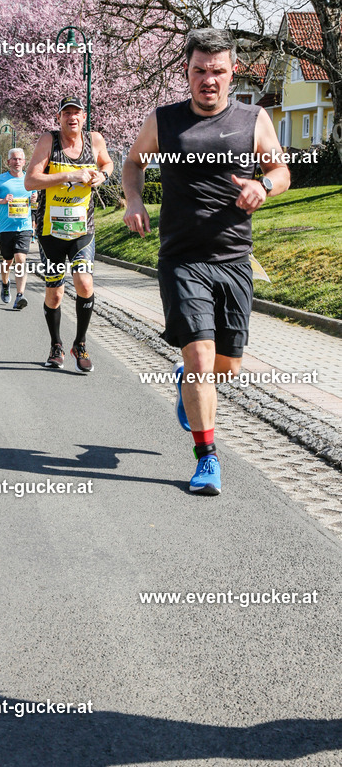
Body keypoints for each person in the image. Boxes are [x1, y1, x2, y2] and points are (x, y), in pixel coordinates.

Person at [122, 27, 290, 496]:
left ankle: (186, 384)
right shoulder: (165, 120)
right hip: (181, 259)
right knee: (198, 357)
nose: (208, 80)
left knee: (226, 368)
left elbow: (281, 169)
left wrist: (265, 185)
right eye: (200, 71)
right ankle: (206, 457)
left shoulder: (253, 119)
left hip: (234, 259)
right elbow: (132, 163)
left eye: (218, 71)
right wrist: (133, 202)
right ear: (187, 72)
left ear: (233, 72)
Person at [25, 96, 113, 372]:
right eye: (67, 114)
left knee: (85, 285)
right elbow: (30, 181)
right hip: (50, 230)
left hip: (81, 230)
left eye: (77, 113)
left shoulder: (94, 140)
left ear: (84, 118)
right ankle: (56, 345)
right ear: (59, 118)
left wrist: (103, 176)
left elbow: (107, 163)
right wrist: (69, 176)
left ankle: (81, 344)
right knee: (55, 293)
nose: (72, 117)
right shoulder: (48, 142)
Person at [0, 148, 33, 309]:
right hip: (6, 227)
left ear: (24, 162)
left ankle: (20, 295)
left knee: (20, 259)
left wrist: (35, 197)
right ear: (8, 162)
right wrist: (2, 201)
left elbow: (36, 196)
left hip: (24, 226)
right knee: (8, 260)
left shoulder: (30, 178)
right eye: (14, 159)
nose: (17, 161)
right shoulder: (1, 179)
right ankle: (5, 284)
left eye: (20, 159)